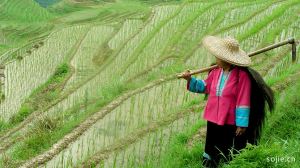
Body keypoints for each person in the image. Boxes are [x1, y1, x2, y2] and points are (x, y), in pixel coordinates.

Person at [181, 36, 275, 168]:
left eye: (219, 57)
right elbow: (205, 86)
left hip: (229, 120)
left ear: (228, 60)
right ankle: (209, 163)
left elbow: (243, 100)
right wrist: (189, 80)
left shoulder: (241, 77)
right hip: (213, 117)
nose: (216, 59)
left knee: (225, 144)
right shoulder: (215, 72)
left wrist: (241, 124)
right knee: (211, 141)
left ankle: (226, 163)